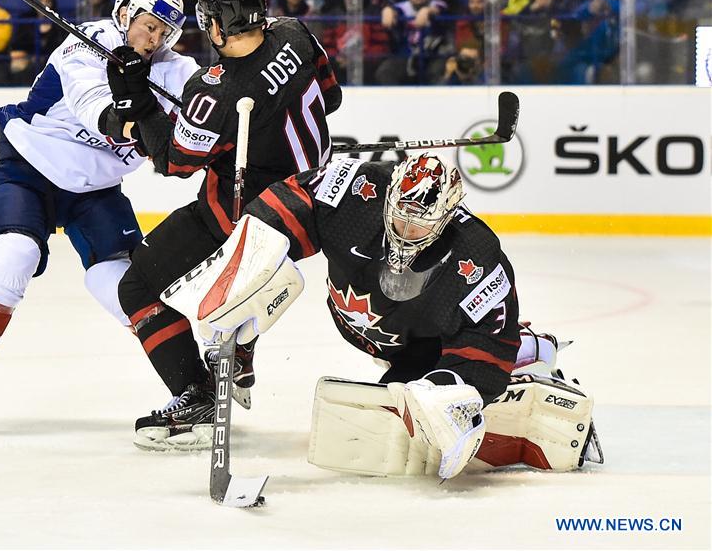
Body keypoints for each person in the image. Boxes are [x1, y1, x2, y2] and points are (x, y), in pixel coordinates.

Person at [164, 152, 602, 476]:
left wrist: (454, 391)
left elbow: (488, 344)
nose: (405, 230)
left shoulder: (476, 257)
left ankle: (534, 350)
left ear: (448, 215)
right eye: (400, 215)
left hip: (424, 346)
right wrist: (248, 267)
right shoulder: (359, 188)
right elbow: (290, 200)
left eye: (420, 223)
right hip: (366, 329)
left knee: (411, 415)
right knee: (271, 273)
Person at [0, 0, 199, 434]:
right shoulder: (87, 44)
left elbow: (217, 99)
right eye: (148, 26)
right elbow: (101, 113)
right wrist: (140, 117)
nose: (154, 40)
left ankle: (194, 386)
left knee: (124, 285)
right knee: (14, 254)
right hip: (30, 167)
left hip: (93, 190)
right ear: (126, 13)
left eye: (163, 33)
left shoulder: (174, 69)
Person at [109, 0, 342, 450]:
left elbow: (173, 161)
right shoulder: (295, 33)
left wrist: (139, 104)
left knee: (137, 286)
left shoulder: (215, 90)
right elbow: (332, 97)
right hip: (312, 204)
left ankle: (196, 390)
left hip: (243, 219)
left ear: (216, 26)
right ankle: (244, 337)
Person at [8, 0, 67, 85]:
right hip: (28, 61)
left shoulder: (60, 25)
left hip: (52, 63)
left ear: (52, 3)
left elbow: (63, 48)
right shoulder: (25, 22)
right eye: (41, 1)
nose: (44, 5)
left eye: (47, 1)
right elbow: (17, 46)